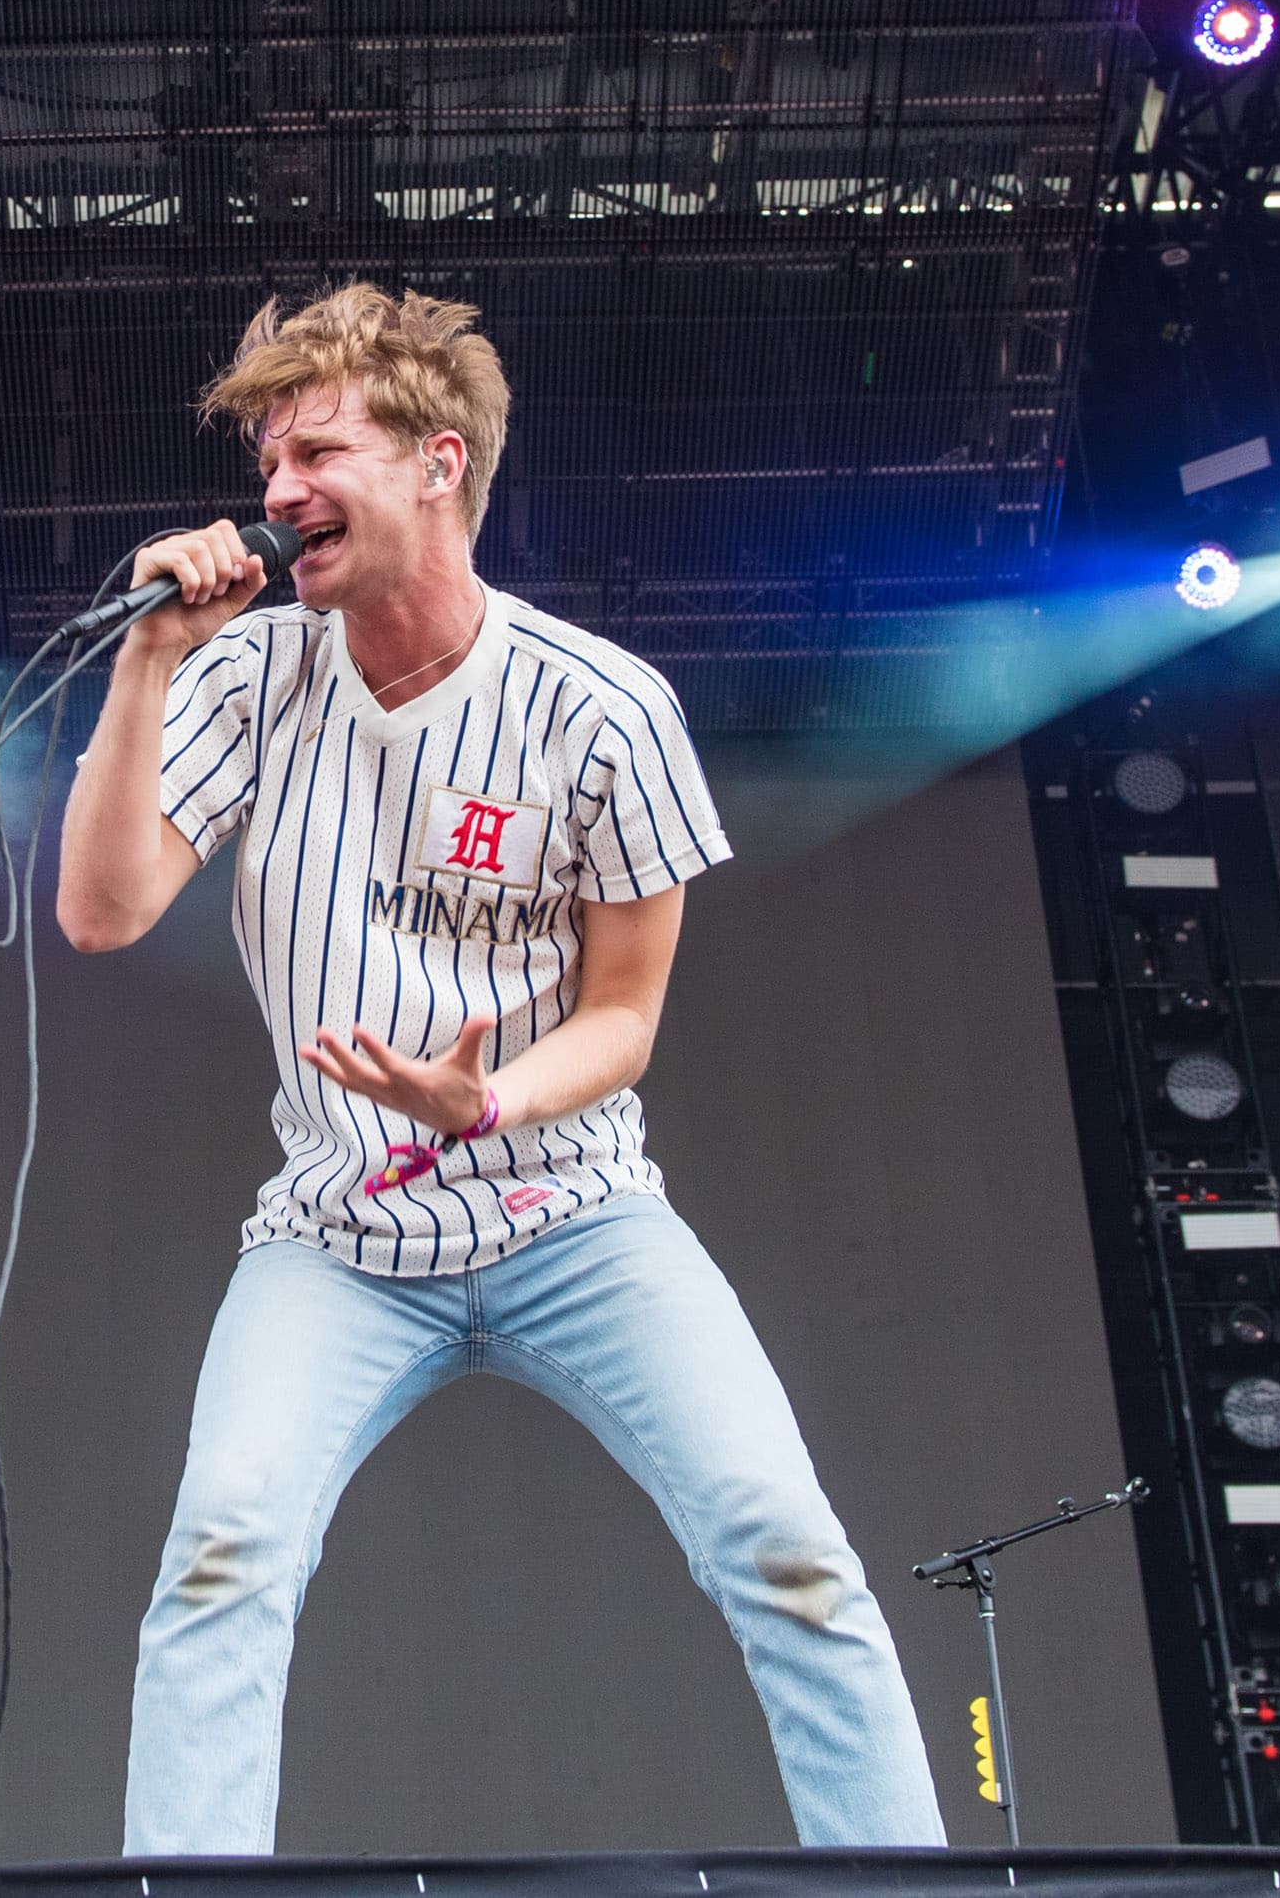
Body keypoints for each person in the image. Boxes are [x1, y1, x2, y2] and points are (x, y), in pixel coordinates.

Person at [56, 281, 946, 1857]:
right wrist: (148, 664)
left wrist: (489, 1101)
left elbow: (625, 1016)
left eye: (316, 450)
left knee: (789, 1548)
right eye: (266, 463)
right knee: (221, 1555)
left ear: (438, 462)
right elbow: (100, 909)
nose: (277, 490)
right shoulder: (252, 678)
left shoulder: (604, 710)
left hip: (575, 1213)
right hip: (338, 1235)